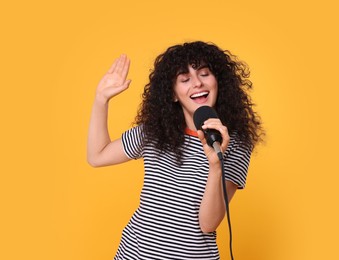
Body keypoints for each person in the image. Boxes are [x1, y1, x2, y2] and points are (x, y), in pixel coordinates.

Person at [87, 41, 264, 259]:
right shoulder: (155, 132)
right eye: (185, 78)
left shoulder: (233, 142)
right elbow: (97, 155)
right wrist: (100, 100)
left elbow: (208, 224)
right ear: (173, 94)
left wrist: (216, 165)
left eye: (204, 74)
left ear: (218, 82)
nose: (197, 83)